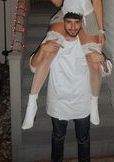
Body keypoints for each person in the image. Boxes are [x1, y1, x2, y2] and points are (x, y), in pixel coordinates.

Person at [22, 0, 112, 130]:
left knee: (93, 60)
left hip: (87, 17)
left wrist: (101, 30)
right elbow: (57, 1)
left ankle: (94, 102)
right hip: (66, 15)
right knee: (50, 49)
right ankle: (32, 104)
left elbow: (97, 2)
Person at [28, 11, 105, 161]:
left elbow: (105, 70)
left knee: (83, 139)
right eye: (68, 22)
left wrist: (101, 58)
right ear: (62, 22)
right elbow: (33, 67)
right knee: (58, 137)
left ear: (82, 23)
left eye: (77, 22)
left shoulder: (87, 43)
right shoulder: (54, 39)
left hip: (82, 102)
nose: (72, 26)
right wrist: (41, 48)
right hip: (58, 101)